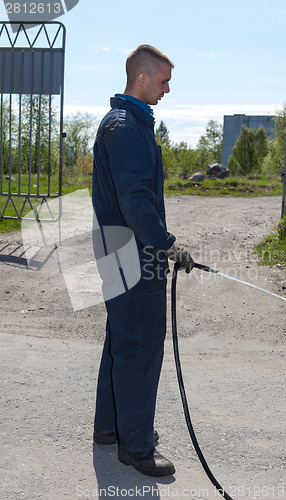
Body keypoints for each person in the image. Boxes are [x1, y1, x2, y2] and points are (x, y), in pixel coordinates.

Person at [92, 44, 194, 477]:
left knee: (122, 339)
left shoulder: (127, 123)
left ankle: (110, 428)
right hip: (134, 256)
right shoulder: (127, 127)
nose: (167, 89)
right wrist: (166, 244)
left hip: (120, 252)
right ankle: (136, 446)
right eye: (164, 80)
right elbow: (135, 198)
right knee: (139, 346)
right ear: (142, 79)